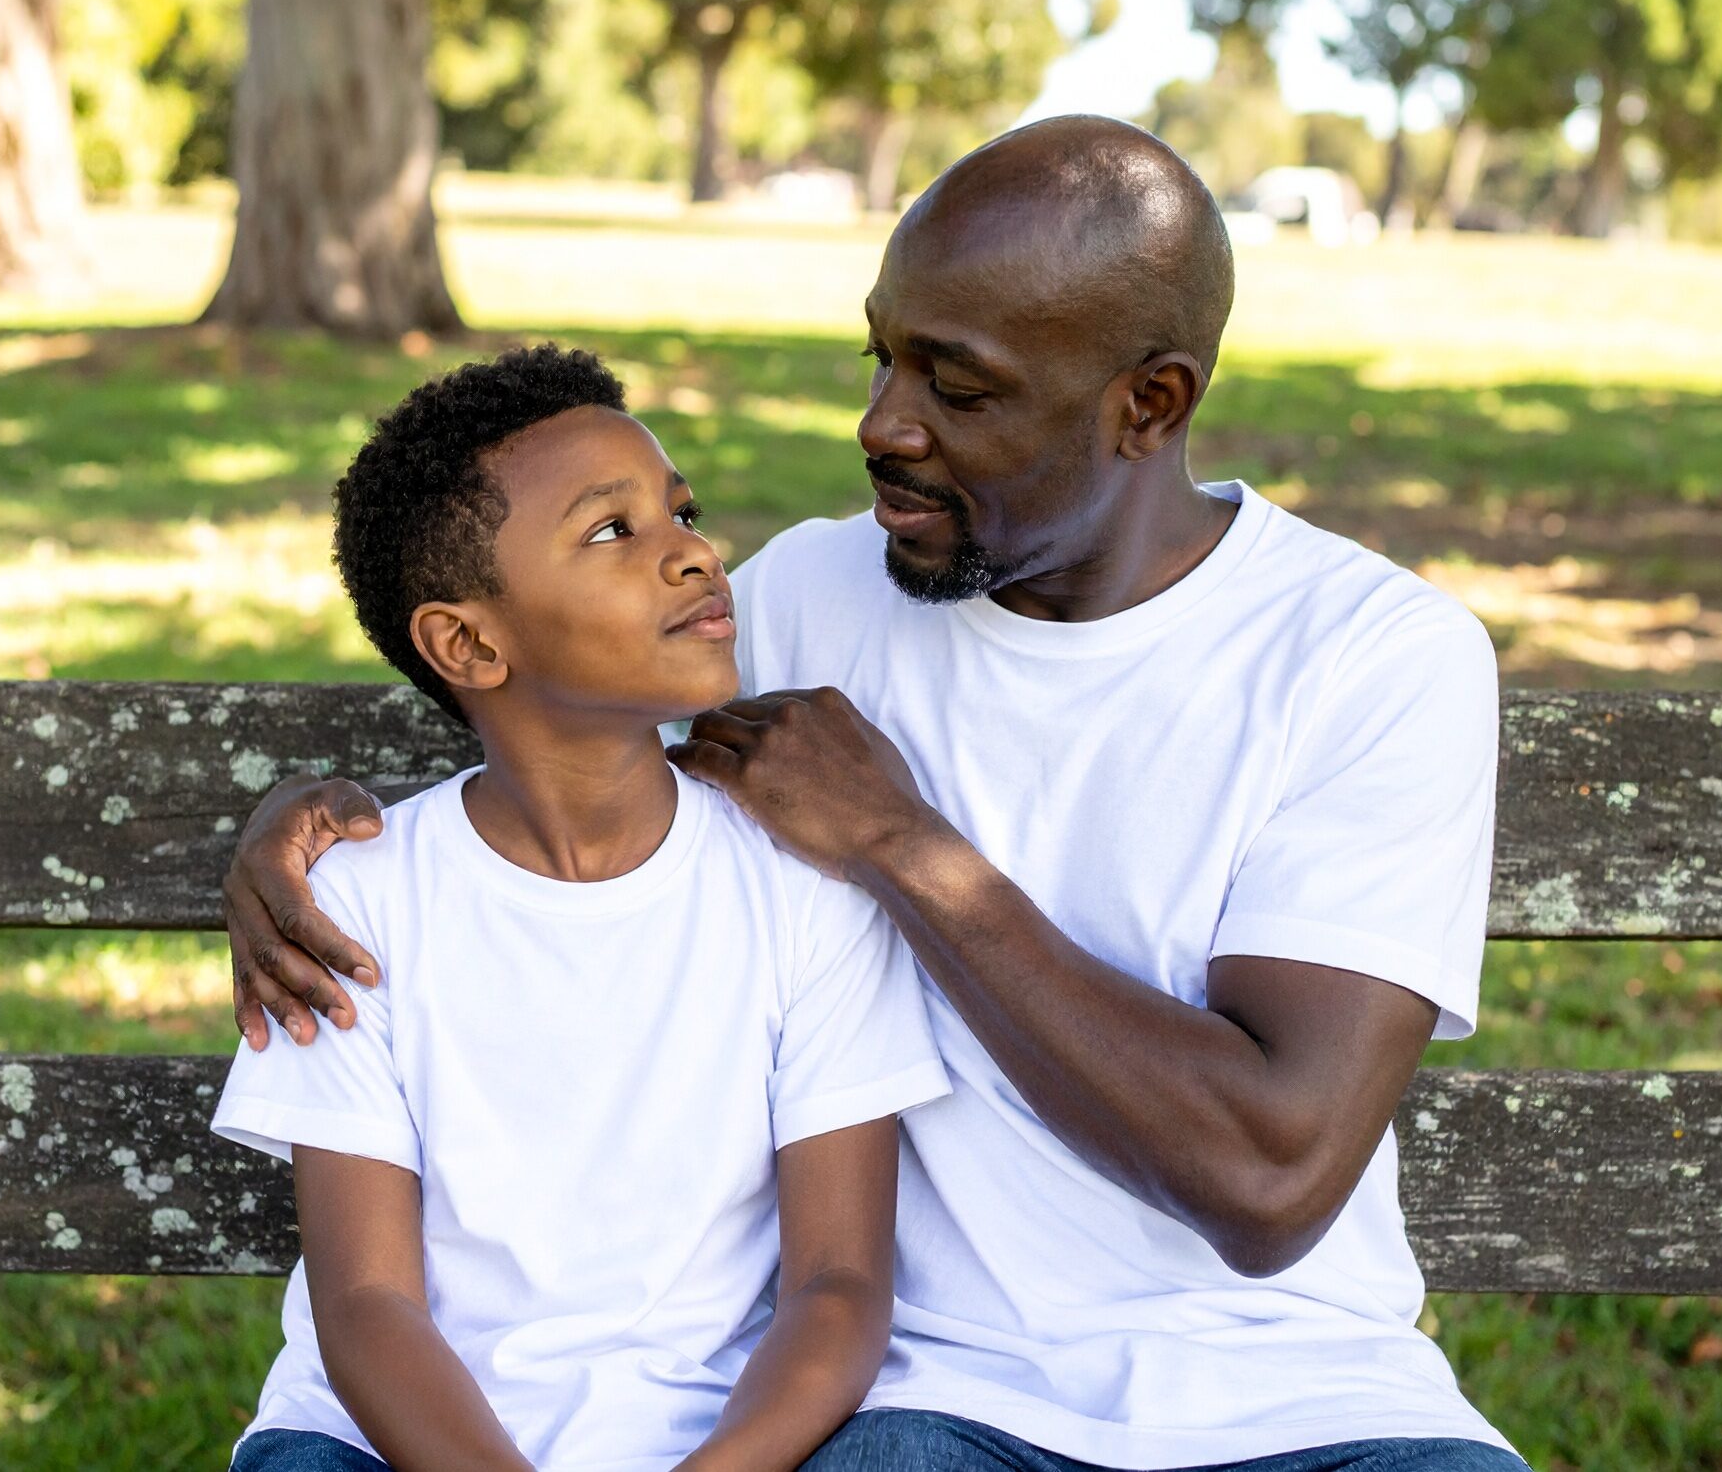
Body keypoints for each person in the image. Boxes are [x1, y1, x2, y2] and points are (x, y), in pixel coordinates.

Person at [223, 117, 1529, 1472]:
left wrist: (904, 845)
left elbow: (1270, 1180)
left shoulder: (1370, 656)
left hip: (1310, 1399)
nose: (880, 427)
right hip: (942, 1398)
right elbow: (554, 749)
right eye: (882, 355)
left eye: (956, 389)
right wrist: (304, 828)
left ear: (1148, 405)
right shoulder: (801, 598)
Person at [211, 345, 950, 1472]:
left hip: (716, 1442)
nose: (693, 553)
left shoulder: (803, 885)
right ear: (467, 642)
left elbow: (839, 1285)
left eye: (682, 512)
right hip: (385, 1444)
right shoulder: (357, 911)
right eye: (614, 532)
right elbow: (366, 1311)